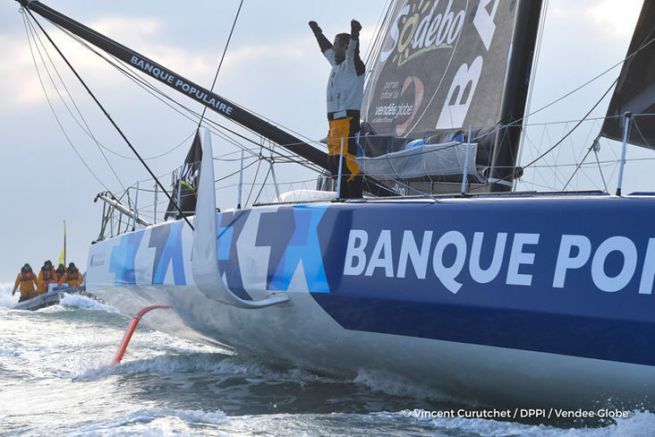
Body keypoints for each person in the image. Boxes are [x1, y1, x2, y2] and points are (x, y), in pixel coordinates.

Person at [309, 18, 365, 199]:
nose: (333, 49)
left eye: (337, 45)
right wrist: (317, 32)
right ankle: (342, 196)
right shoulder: (337, 63)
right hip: (334, 123)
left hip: (348, 121)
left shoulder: (353, 66)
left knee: (347, 161)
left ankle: (355, 198)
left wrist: (355, 34)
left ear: (346, 46)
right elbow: (324, 48)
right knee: (334, 162)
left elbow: (353, 53)